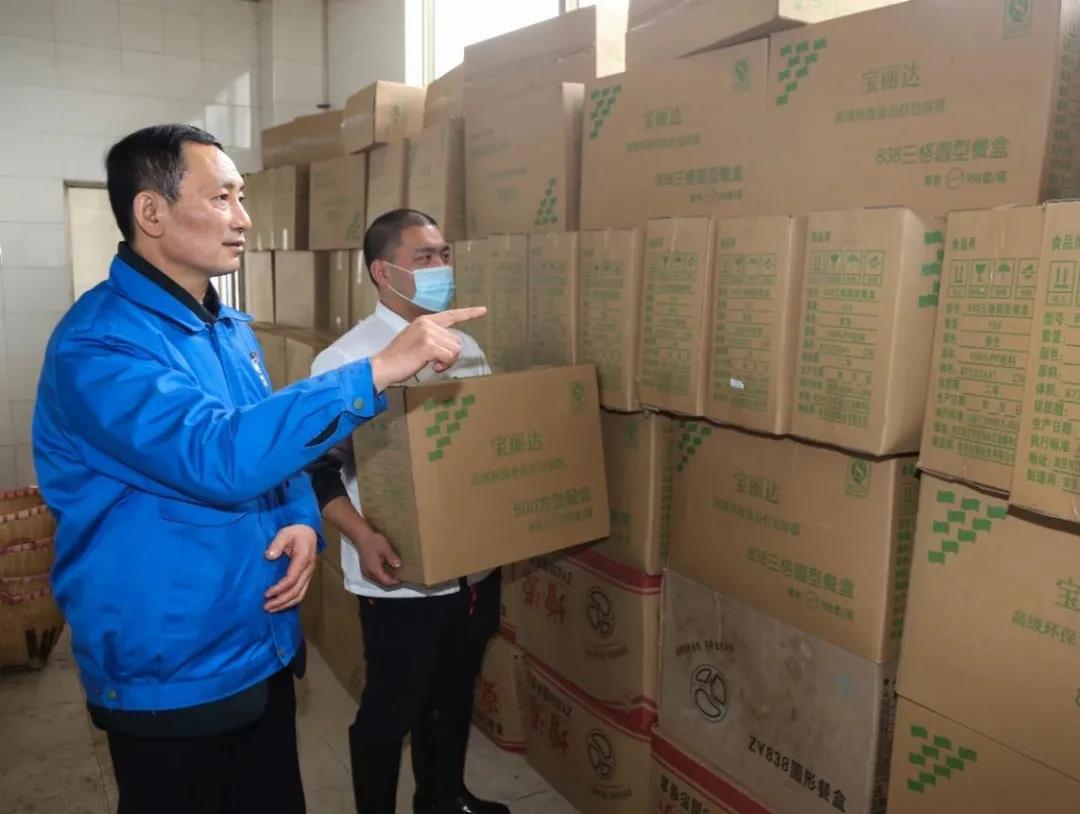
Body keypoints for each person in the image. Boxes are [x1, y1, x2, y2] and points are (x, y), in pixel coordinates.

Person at [31, 125, 484, 814]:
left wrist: (301, 520)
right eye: (222, 198)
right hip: (170, 666)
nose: (243, 218)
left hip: (258, 640)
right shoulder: (100, 347)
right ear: (151, 212)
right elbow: (218, 456)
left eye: (241, 197)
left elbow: (276, 455)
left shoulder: (228, 330)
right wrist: (377, 371)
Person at [307, 209, 507, 814]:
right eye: (424, 258)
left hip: (471, 567)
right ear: (382, 272)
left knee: (453, 693)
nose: (441, 267)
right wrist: (362, 536)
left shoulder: (468, 348)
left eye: (444, 254)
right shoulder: (347, 360)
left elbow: (484, 447)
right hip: (397, 573)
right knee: (392, 707)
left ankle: (443, 798)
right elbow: (317, 469)